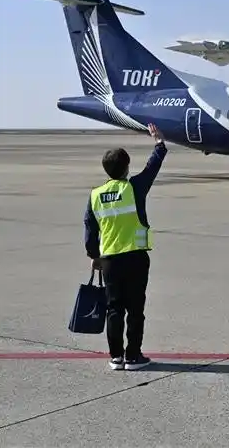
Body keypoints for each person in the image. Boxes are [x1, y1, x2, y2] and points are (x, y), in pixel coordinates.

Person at [84, 123, 168, 371]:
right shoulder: (134, 188)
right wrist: (159, 143)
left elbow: (90, 229)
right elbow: (152, 167)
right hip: (135, 258)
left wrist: (94, 255)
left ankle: (116, 357)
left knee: (114, 309)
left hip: (110, 260)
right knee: (135, 309)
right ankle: (133, 356)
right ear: (127, 167)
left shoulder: (95, 195)